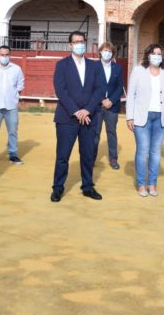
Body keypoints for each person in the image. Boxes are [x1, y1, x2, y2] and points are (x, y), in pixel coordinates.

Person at [51, 31, 106, 202]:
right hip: (67, 118)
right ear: (70, 45)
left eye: (81, 41)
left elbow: (100, 89)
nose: (79, 44)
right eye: (75, 42)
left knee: (88, 155)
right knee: (63, 156)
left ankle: (87, 186)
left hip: (89, 117)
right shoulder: (62, 65)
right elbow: (61, 90)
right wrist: (76, 111)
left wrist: (87, 110)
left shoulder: (95, 66)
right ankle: (58, 188)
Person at [126, 44, 164, 197]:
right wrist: (129, 116)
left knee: (155, 152)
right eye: (153, 53)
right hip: (142, 117)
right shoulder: (138, 71)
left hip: (161, 118)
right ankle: (141, 183)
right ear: (148, 55)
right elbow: (131, 95)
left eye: (159, 54)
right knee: (143, 151)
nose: (156, 56)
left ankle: (152, 183)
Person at [94, 42, 124, 170]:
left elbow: (120, 87)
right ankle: (91, 158)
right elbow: (91, 86)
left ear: (113, 54)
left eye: (110, 51)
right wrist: (102, 100)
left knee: (111, 133)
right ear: (100, 52)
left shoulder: (117, 68)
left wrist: (111, 100)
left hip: (112, 106)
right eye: (105, 50)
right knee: (95, 133)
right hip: (97, 106)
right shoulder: (93, 67)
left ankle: (113, 158)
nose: (107, 53)